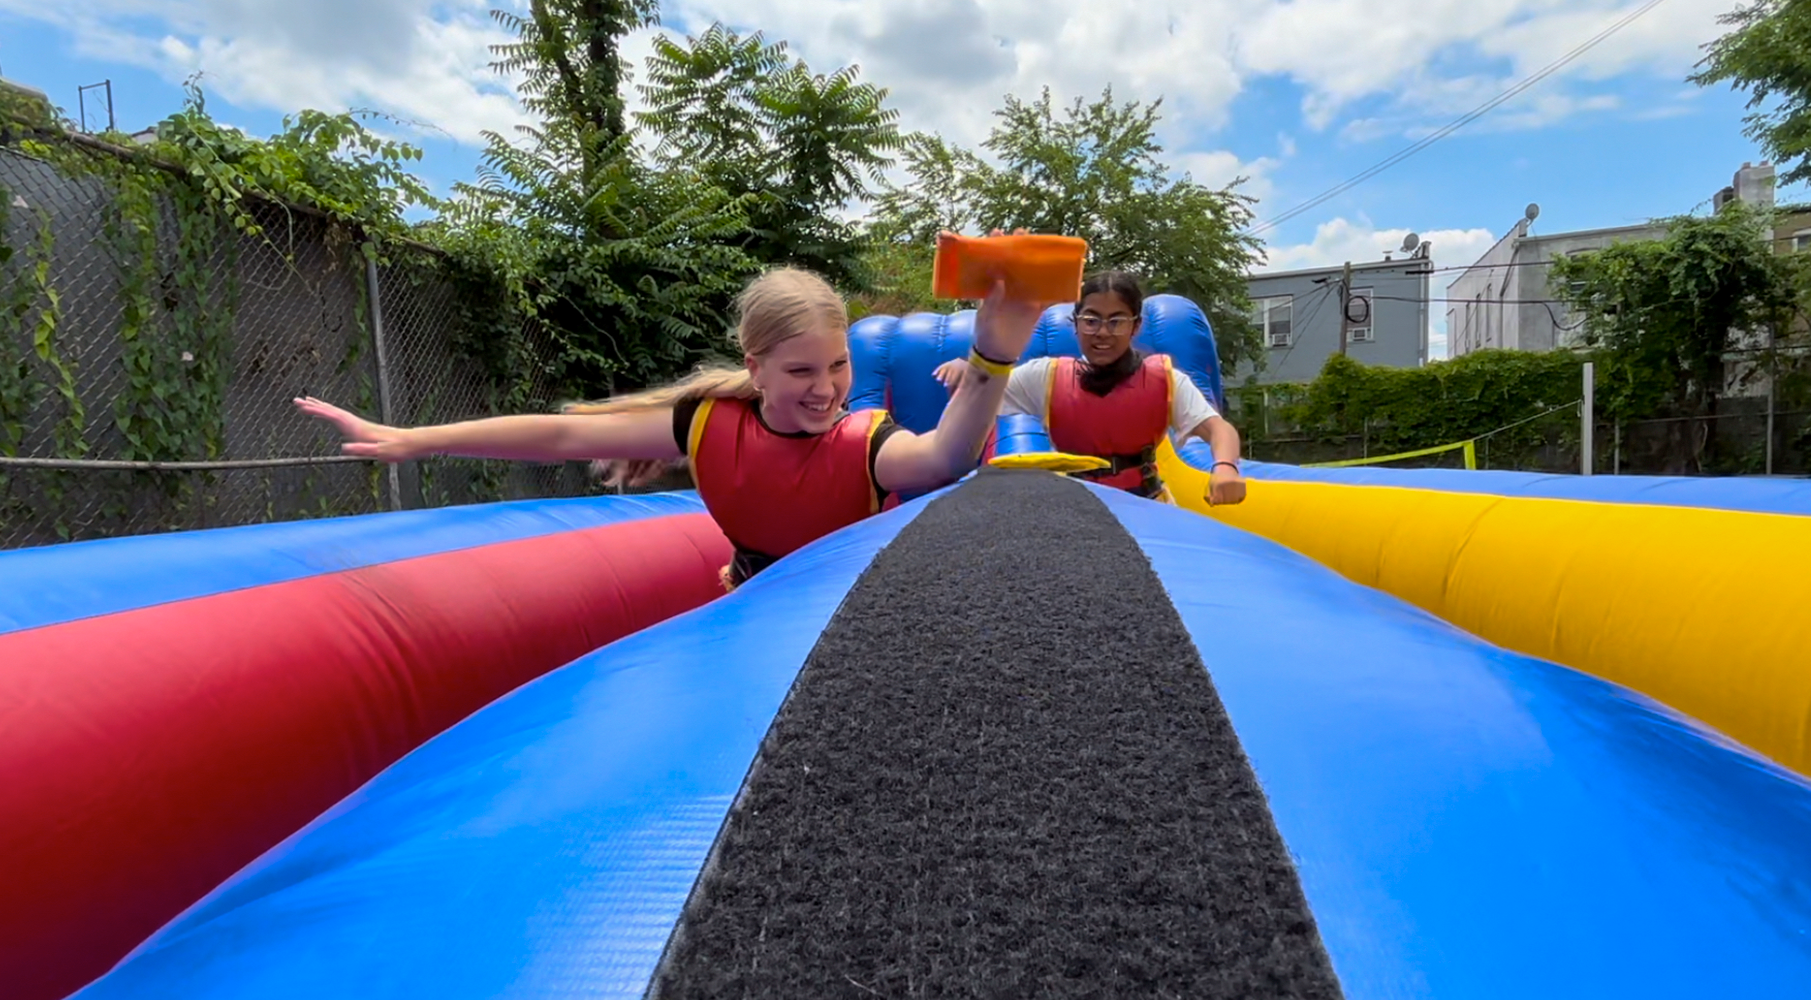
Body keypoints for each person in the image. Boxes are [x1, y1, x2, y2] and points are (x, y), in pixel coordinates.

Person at [297, 260, 1048, 588]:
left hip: (834, 606)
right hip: (751, 592)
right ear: (754, 366)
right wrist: (412, 440)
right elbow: (561, 435)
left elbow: (946, 456)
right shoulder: (706, 423)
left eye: (838, 367)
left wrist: (994, 352)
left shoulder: (864, 442)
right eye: (800, 373)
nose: (826, 391)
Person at [936, 271, 1245, 505]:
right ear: (1076, 323)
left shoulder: (1165, 381)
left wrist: (1226, 467)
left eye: (1116, 321)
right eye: (1091, 320)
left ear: (1135, 326)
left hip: (1145, 504)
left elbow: (1219, 430)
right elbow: (985, 396)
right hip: (1077, 505)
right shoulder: (1046, 376)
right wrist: (972, 370)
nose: (1102, 333)